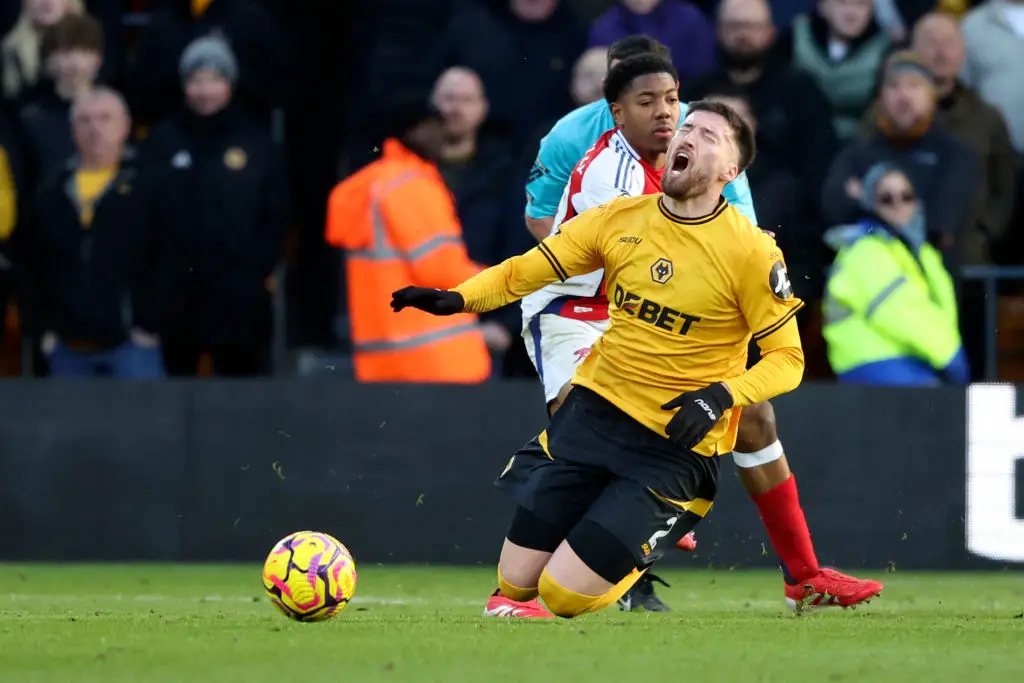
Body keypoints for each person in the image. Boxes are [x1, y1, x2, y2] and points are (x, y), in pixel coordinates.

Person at [392, 101, 884, 619]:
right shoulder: (620, 219)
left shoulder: (751, 252)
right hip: (593, 420)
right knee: (513, 588)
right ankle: (619, 525)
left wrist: (722, 395)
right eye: (687, 128)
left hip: (672, 448)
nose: (688, 136)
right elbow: (524, 272)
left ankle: (669, 524)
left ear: (729, 171)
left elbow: (788, 361)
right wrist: (457, 298)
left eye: (709, 136)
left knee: (560, 596)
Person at [519, 35, 878, 616]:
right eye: (642, 96)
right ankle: (553, 581)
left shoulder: (705, 136)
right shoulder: (574, 140)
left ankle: (803, 576)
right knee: (579, 411)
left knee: (754, 414)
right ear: (614, 100)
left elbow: (738, 231)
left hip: (664, 307)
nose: (662, 111)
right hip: (577, 306)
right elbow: (539, 219)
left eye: (668, 96)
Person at [524, 35, 757, 244]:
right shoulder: (568, 136)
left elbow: (740, 212)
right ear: (606, 87)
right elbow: (541, 215)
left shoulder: (708, 130)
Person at [325, 93, 491, 383]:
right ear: (413, 131)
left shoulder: (373, 183)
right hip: (438, 362)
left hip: (382, 362)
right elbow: (441, 271)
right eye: (435, 124)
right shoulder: (412, 185)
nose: (442, 133)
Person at [18, 87, 169, 378]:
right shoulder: (51, 191)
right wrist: (42, 331)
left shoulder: (151, 186)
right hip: (66, 349)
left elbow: (172, 259)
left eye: (104, 118)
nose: (94, 128)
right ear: (73, 130)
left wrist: (150, 326)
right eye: (85, 120)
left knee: (141, 411)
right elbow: (31, 265)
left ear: (125, 126)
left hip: (134, 346)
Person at [822, 163, 969, 385]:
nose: (898, 204)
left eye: (906, 196)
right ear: (871, 203)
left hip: (916, 359)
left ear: (917, 201)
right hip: (874, 363)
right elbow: (898, 311)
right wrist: (949, 354)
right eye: (886, 198)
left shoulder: (921, 252)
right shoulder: (866, 249)